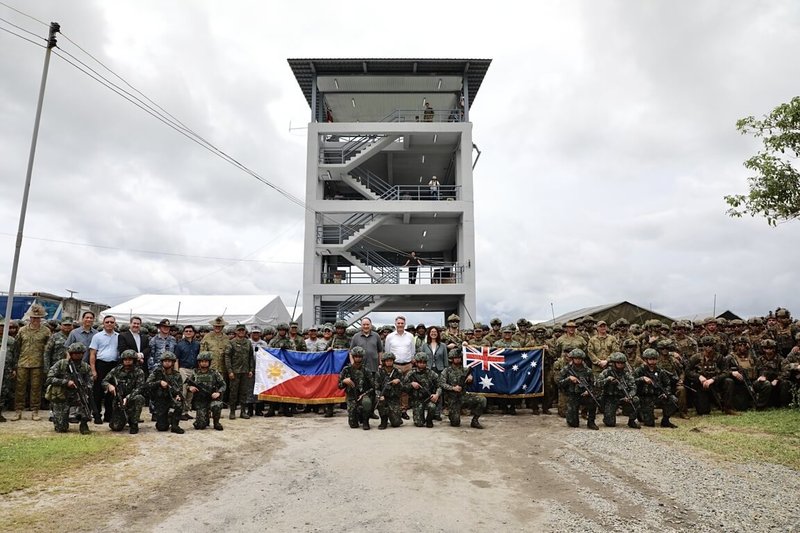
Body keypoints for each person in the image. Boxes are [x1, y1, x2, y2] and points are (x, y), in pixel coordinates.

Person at [11, 303, 51, 421]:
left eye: (38, 318)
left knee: (36, 388)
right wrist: (14, 366)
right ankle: (18, 411)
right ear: (30, 318)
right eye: (33, 317)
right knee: (20, 388)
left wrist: (46, 366)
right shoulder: (22, 330)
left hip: (38, 364)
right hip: (22, 363)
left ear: (41, 318)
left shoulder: (46, 331)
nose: (35, 320)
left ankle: (35, 411)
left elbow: (48, 349)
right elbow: (16, 348)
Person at [45, 342, 93, 434]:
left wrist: (84, 387)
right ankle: (59, 418)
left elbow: (90, 382)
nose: (78, 356)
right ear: (71, 354)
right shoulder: (61, 364)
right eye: (75, 354)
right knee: (61, 428)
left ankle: (83, 423)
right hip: (62, 395)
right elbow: (49, 379)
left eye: (80, 354)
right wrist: (66, 382)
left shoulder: (85, 367)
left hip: (77, 394)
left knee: (87, 402)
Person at [686, 336, 736, 415]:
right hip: (701, 385)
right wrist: (699, 377)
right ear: (702, 346)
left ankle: (727, 407)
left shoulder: (720, 357)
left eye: (710, 345)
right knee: (703, 411)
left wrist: (713, 379)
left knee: (729, 382)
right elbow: (688, 371)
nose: (708, 347)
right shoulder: (695, 358)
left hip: (716, 384)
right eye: (706, 345)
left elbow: (726, 372)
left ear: (714, 346)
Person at [439, 349, 486, 429]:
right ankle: (453, 413)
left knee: (482, 400)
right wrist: (453, 388)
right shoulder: (446, 371)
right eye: (455, 357)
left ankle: (475, 420)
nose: (457, 359)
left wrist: (471, 378)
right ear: (451, 359)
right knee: (455, 423)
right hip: (453, 399)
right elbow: (442, 384)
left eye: (459, 357)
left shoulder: (465, 370)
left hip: (463, 396)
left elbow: (471, 382)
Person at [102, 349, 146, 434]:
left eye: (130, 359)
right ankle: (125, 418)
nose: (127, 361)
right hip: (118, 400)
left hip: (132, 398)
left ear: (134, 360)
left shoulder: (139, 372)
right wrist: (109, 386)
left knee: (139, 398)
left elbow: (140, 388)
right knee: (115, 427)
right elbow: (104, 381)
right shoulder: (116, 370)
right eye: (125, 359)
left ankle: (134, 423)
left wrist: (128, 397)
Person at [633, 348, 678, 428]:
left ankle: (665, 420)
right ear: (646, 360)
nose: (653, 362)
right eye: (650, 359)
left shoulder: (660, 371)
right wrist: (642, 378)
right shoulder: (639, 370)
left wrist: (665, 393)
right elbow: (632, 382)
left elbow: (667, 384)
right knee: (649, 424)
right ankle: (640, 413)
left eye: (654, 359)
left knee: (673, 400)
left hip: (658, 396)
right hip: (644, 397)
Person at [88, 315, 119, 424]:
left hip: (114, 366)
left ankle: (109, 415)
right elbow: (92, 354)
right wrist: (93, 370)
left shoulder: (118, 336)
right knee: (98, 392)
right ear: (103, 323)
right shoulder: (97, 336)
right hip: (100, 365)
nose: (109, 324)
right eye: (107, 322)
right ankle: (96, 415)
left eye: (111, 322)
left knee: (112, 391)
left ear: (115, 324)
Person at [597, 352, 641, 429]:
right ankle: (607, 415)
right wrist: (607, 380)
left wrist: (630, 396)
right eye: (618, 363)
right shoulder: (607, 372)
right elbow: (597, 384)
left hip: (623, 397)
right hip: (610, 398)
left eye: (622, 363)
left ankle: (632, 421)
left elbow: (633, 387)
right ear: (614, 363)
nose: (620, 365)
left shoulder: (626, 374)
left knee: (635, 400)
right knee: (610, 423)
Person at [558, 348, 599, 430]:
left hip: (584, 395)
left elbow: (594, 384)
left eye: (579, 359)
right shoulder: (567, 369)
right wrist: (569, 379)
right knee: (573, 423)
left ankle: (591, 422)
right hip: (572, 395)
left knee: (593, 401)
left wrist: (589, 391)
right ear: (572, 359)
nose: (578, 360)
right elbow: (559, 382)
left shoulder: (588, 370)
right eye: (576, 358)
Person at [145, 351, 184, 434]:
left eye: (169, 361)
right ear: (162, 362)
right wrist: (159, 382)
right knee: (162, 427)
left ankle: (175, 425)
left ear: (173, 363)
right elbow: (147, 384)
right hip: (160, 400)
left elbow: (180, 389)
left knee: (179, 404)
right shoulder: (156, 373)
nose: (167, 363)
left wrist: (178, 395)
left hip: (172, 398)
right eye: (165, 361)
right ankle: (168, 418)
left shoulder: (177, 375)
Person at [384, 316, 416, 418]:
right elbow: (387, 351)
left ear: (405, 324)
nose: (400, 325)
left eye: (402, 323)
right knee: (394, 388)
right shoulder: (390, 337)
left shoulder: (410, 336)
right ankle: (395, 409)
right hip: (395, 365)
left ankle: (403, 410)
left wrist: (410, 361)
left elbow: (413, 351)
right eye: (398, 323)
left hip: (407, 365)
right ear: (395, 324)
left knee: (405, 388)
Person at [187, 351, 226, 430]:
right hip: (201, 400)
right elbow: (187, 384)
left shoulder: (214, 373)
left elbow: (223, 385)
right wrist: (190, 387)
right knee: (200, 426)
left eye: (206, 361)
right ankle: (205, 417)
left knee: (217, 405)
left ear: (209, 362)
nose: (204, 363)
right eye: (202, 361)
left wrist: (218, 393)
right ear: (199, 363)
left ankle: (216, 422)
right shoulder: (195, 372)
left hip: (212, 398)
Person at [338, 347, 374, 430]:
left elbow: (373, 387)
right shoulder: (346, 370)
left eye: (360, 356)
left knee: (366, 402)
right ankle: (358, 416)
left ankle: (365, 421)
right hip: (351, 397)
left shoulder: (366, 370)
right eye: (356, 356)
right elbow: (339, 386)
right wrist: (344, 381)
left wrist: (364, 394)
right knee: (353, 425)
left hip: (363, 395)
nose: (358, 358)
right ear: (353, 357)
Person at [224, 324, 255, 420]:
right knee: (233, 392)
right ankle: (232, 411)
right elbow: (227, 357)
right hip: (235, 371)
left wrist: (251, 369)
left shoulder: (248, 343)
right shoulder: (231, 343)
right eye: (239, 330)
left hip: (245, 371)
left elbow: (251, 357)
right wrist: (230, 371)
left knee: (244, 392)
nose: (241, 332)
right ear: (236, 332)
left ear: (245, 332)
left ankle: (243, 411)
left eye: (243, 330)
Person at [403, 352, 441, 428]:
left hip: (428, 398)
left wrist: (436, 394)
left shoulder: (431, 373)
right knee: (419, 424)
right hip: (417, 400)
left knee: (432, 406)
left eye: (424, 363)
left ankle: (429, 420)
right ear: (416, 363)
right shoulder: (411, 373)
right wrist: (411, 384)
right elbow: (403, 387)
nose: (422, 364)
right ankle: (421, 418)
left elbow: (439, 385)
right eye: (420, 362)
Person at [175, 325, 200, 420]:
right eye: (186, 331)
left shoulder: (197, 344)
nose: (188, 333)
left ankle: (186, 411)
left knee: (191, 392)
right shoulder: (179, 345)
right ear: (184, 333)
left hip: (193, 370)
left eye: (190, 331)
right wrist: (177, 371)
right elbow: (176, 359)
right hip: (183, 369)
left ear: (193, 333)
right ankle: (180, 412)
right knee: (183, 391)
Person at [375, 352, 403, 429]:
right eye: (387, 361)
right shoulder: (379, 372)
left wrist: (398, 382)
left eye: (391, 360)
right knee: (380, 402)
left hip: (394, 398)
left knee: (396, 423)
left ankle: (396, 416)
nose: (389, 362)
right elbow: (376, 387)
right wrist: (379, 395)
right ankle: (383, 421)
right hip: (383, 397)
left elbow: (404, 387)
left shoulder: (398, 372)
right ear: (384, 362)